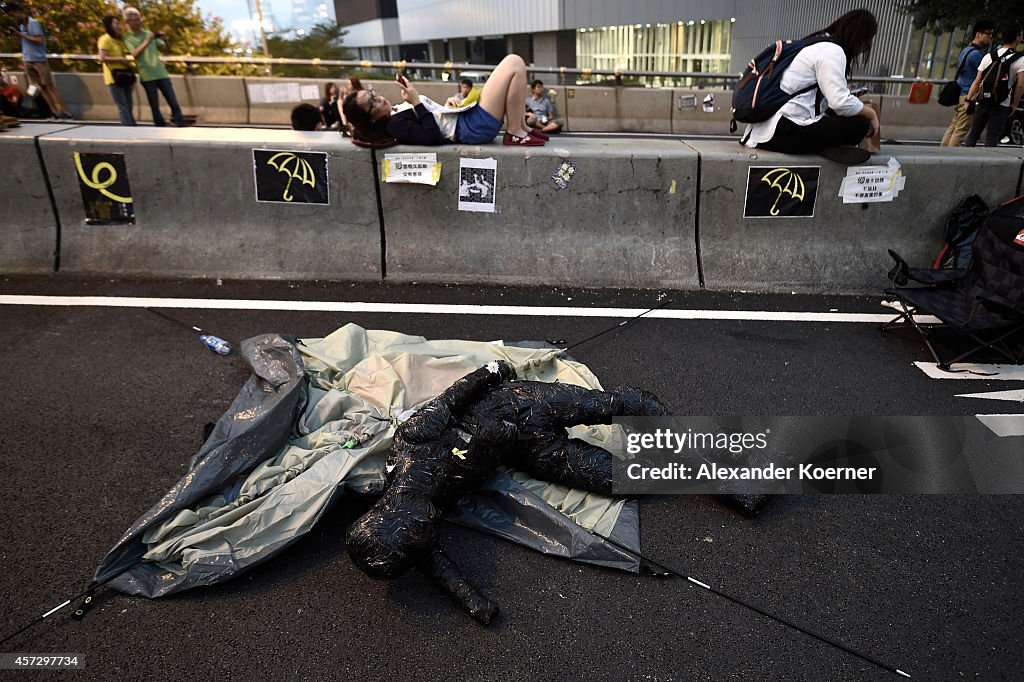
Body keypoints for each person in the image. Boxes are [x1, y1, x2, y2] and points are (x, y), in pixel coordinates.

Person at [741, 9, 879, 165]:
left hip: (766, 131)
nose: (863, 50)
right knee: (859, 125)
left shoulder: (817, 44)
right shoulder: (834, 51)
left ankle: (819, 145)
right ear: (860, 38)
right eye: (866, 44)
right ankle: (821, 146)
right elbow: (839, 102)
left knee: (839, 118)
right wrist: (871, 114)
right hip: (782, 131)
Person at [341, 54, 548, 147]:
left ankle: (521, 127)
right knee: (513, 63)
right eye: (372, 103)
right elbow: (432, 137)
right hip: (472, 128)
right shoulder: (395, 126)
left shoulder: (395, 114)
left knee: (515, 65)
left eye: (373, 94)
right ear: (371, 119)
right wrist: (416, 102)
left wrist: (447, 105)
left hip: (467, 120)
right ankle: (514, 132)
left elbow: (435, 121)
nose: (379, 99)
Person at [3, 3, 72, 120]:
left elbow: (39, 40)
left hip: (39, 60)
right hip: (28, 60)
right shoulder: (21, 26)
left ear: (18, 11)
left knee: (50, 86)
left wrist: (21, 35)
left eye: (13, 15)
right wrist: (18, 34)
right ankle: (54, 112)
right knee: (42, 87)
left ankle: (67, 112)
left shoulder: (33, 23)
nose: (13, 18)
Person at [962, 25, 1024, 148]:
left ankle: (964, 161)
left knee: (973, 135)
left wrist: (968, 100)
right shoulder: (1020, 59)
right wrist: (1014, 104)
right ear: (1016, 38)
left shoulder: (989, 56)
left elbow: (977, 81)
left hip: (982, 101)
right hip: (1001, 103)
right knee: (992, 137)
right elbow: (1021, 85)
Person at [122, 7, 186, 127]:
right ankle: (160, 126)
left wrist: (165, 39)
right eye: (135, 20)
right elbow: (134, 53)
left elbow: (165, 48)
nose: (138, 22)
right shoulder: (128, 37)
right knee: (154, 104)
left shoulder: (148, 33)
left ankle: (180, 123)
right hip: (147, 75)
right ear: (128, 22)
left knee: (173, 100)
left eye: (139, 19)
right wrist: (147, 41)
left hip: (161, 72)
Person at [941, 20, 995, 147]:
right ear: (978, 34)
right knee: (961, 129)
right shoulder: (976, 55)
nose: (990, 38)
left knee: (954, 126)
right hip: (968, 96)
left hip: (961, 93)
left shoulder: (966, 50)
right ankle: (950, 157)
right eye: (988, 34)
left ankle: (942, 152)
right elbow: (986, 76)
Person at [98, 15, 136, 126]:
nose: (119, 26)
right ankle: (130, 131)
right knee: (123, 106)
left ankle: (133, 128)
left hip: (125, 75)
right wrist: (120, 59)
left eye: (119, 23)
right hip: (114, 77)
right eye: (116, 23)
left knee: (129, 106)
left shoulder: (119, 40)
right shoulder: (105, 39)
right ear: (109, 25)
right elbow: (102, 58)